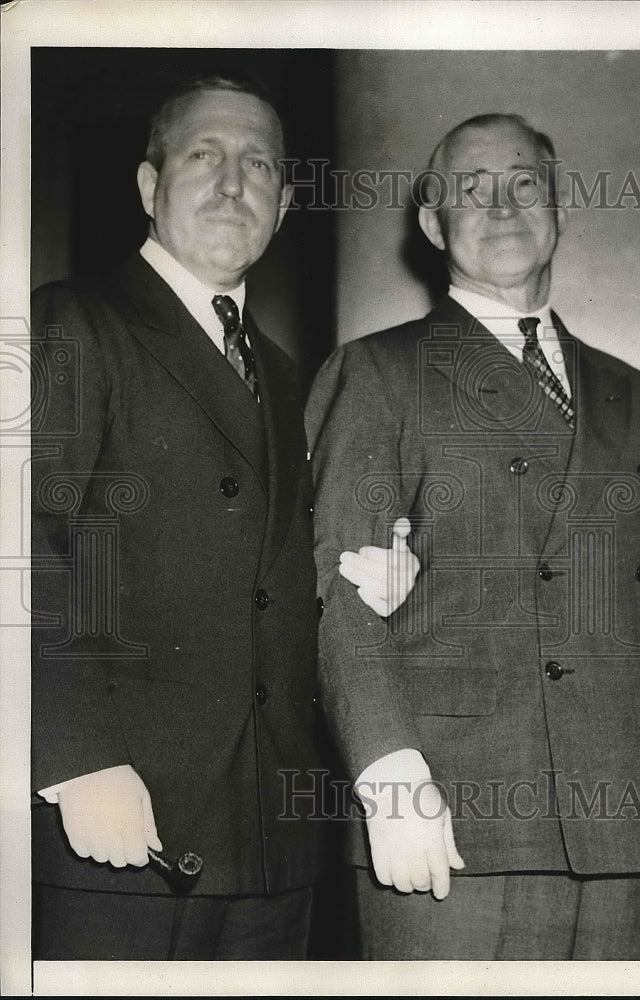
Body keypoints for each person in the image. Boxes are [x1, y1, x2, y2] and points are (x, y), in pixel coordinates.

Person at [305, 113, 640, 960]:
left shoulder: (631, 391)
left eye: (525, 183)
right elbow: (337, 596)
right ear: (432, 224)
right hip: (456, 820)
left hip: (630, 820)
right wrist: (389, 776)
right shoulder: (380, 370)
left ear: (561, 208)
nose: (501, 205)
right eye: (470, 189)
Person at [30, 75, 416, 961]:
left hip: (273, 848)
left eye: (258, 165)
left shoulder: (291, 380)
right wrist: (75, 756)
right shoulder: (75, 321)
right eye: (204, 155)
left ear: (284, 206)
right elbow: (23, 544)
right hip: (118, 826)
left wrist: (387, 575)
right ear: (147, 187)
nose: (232, 182)